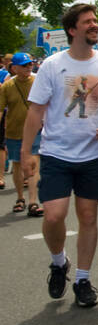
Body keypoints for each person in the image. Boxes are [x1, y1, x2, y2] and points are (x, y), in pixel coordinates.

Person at [20, 5, 98, 307]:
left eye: (94, 21)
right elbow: (36, 111)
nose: (94, 25)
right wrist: (27, 153)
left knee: (88, 216)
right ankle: (58, 261)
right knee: (53, 215)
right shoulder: (52, 65)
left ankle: (82, 279)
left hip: (93, 155)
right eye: (87, 22)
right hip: (56, 154)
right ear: (72, 30)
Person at [1, 52, 43, 216]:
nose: (28, 68)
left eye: (30, 64)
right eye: (24, 65)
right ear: (14, 68)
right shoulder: (7, 87)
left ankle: (33, 201)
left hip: (35, 131)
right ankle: (20, 198)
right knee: (17, 165)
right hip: (13, 131)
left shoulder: (38, 82)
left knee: (33, 164)